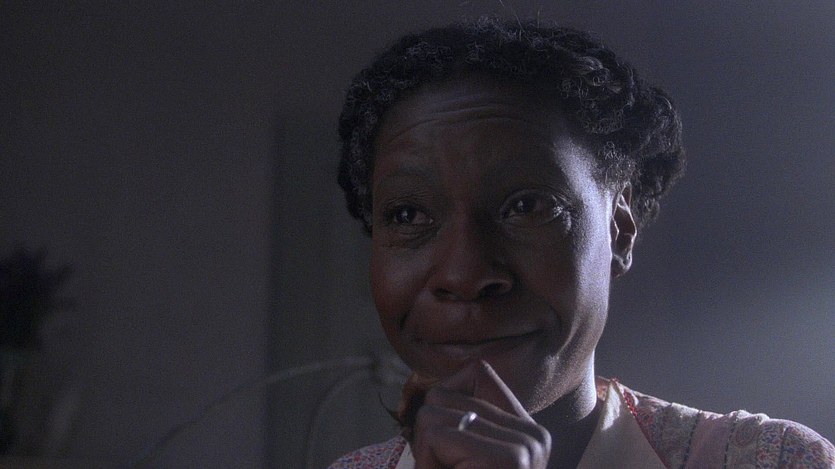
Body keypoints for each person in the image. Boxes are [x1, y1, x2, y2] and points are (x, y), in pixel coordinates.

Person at [328, 18, 834, 468]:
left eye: (527, 206)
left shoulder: (772, 461)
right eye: (408, 215)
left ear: (620, 228)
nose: (464, 274)